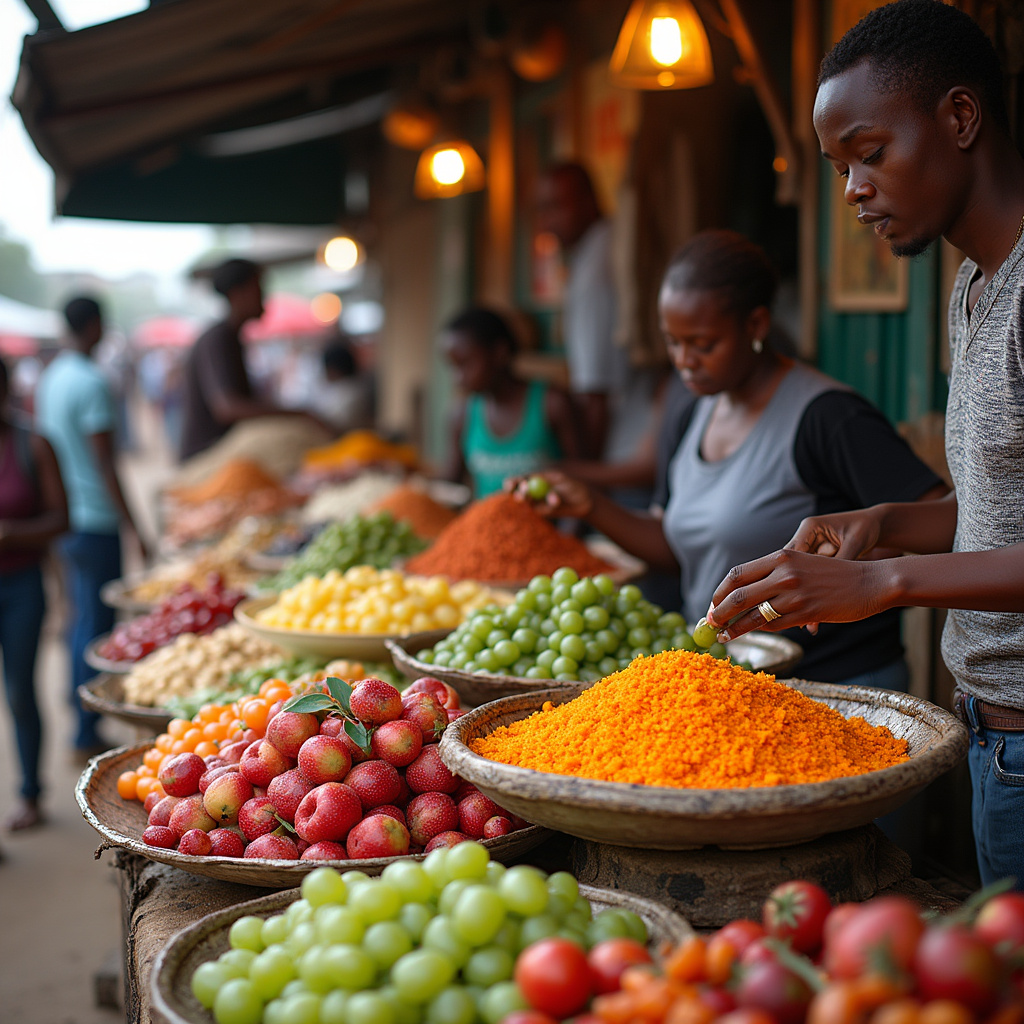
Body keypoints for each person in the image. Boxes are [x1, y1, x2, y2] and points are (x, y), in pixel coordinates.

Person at [703, 0, 1024, 886]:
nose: (852, 191)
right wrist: (885, 524)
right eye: (839, 167)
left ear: (960, 118)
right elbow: (1006, 513)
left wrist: (880, 583)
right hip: (996, 735)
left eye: (870, 154)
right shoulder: (975, 289)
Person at [511, 230, 946, 686]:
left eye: (702, 344)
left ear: (756, 326)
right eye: (672, 342)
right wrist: (592, 505)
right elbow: (677, 547)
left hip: (835, 682)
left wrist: (852, 567)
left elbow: (941, 519)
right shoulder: (689, 410)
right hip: (733, 682)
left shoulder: (829, 417)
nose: (685, 361)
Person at [35, 296, 145, 757]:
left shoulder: (52, 377)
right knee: (96, 629)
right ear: (96, 324)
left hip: (63, 518)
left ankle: (75, 708)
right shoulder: (93, 382)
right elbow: (105, 461)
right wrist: (134, 525)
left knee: (79, 618)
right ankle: (85, 730)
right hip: (95, 519)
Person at [535, 163, 659, 474]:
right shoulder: (609, 244)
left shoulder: (595, 271)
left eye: (555, 206)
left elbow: (595, 394)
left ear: (589, 200)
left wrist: (589, 477)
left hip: (624, 454)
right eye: (542, 209)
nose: (547, 221)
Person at [0, 357, 68, 829]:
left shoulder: (34, 443)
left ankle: (30, 794)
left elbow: (61, 520)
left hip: (21, 585)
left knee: (22, 692)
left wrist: (11, 535)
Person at [179, 259, 317, 460]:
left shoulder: (232, 339)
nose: (264, 298)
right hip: (207, 458)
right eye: (259, 289)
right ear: (237, 293)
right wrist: (298, 414)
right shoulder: (218, 339)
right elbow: (227, 408)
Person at [441, 307, 580, 498]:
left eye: (466, 364)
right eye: (453, 366)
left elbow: (582, 482)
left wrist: (567, 529)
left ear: (500, 352)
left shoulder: (551, 404)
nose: (458, 378)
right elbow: (450, 482)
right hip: (486, 526)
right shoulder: (463, 414)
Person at [309, 335, 373, 434]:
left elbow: (334, 425)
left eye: (327, 368)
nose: (325, 373)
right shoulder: (342, 388)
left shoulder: (352, 392)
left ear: (335, 368)